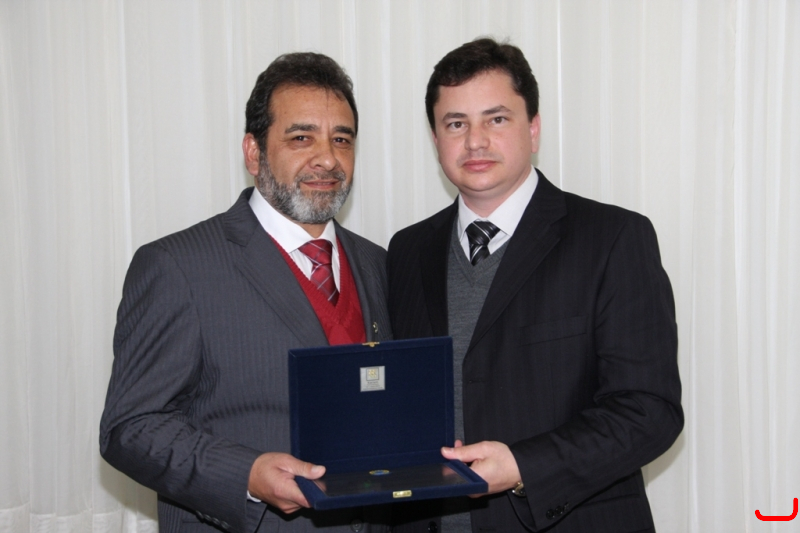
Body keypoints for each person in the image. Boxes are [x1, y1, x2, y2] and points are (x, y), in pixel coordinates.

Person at [387, 38, 683, 532]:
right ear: (436, 138)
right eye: (456, 124)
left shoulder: (613, 239)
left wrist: (524, 466)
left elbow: (650, 411)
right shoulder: (406, 251)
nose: (475, 141)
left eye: (496, 119)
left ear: (534, 128)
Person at [100, 53, 393, 533]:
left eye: (342, 139)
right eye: (301, 138)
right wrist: (247, 476)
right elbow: (130, 427)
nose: (327, 158)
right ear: (254, 152)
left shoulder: (379, 263)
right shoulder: (177, 266)